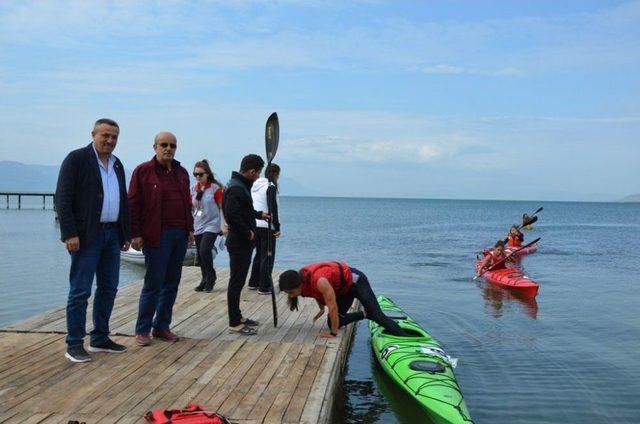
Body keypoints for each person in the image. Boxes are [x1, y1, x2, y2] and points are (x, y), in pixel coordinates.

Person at [55, 118, 131, 362]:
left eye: (114, 137)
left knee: (109, 288)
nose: (110, 141)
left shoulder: (117, 165)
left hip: (112, 234)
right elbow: (62, 198)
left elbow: (122, 200)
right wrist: (69, 233)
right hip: (86, 235)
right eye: (105, 136)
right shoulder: (76, 159)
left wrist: (124, 233)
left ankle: (99, 337)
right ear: (93, 134)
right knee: (80, 290)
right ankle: (74, 343)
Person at [128, 132, 194, 346]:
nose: (168, 149)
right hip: (156, 235)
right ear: (154, 146)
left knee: (172, 283)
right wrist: (135, 233)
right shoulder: (143, 172)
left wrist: (190, 230)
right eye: (164, 145)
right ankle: (142, 329)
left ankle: (162, 326)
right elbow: (133, 204)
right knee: (153, 283)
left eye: (172, 145)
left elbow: (187, 202)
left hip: (180, 234)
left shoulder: (182, 172)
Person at [278, 262, 407, 338]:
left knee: (378, 316)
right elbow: (314, 293)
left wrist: (333, 334)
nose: (291, 296)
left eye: (291, 292)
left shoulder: (319, 281)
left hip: (356, 282)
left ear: (298, 284)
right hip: (344, 291)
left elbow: (332, 306)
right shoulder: (302, 283)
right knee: (333, 323)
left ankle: (404, 337)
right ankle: (366, 314)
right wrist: (321, 309)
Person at [222, 154, 270, 335]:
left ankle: (238, 315)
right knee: (236, 282)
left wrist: (259, 215)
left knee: (239, 281)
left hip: (242, 241)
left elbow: (245, 210)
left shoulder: (239, 185)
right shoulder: (236, 188)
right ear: (251, 171)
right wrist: (247, 231)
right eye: (257, 174)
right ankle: (234, 322)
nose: (257, 177)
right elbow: (232, 215)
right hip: (238, 242)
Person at [191, 159, 225, 293]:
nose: (198, 177)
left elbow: (222, 207)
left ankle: (211, 276)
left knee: (205, 250)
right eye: (196, 174)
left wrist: (224, 225)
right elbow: (191, 206)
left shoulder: (215, 188)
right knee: (200, 254)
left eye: (201, 174)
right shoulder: (193, 188)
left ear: (207, 174)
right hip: (198, 223)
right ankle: (204, 278)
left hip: (212, 224)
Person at [248, 163, 281, 295]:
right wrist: (277, 226)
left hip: (255, 224)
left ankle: (253, 282)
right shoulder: (270, 186)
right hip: (267, 225)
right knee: (268, 256)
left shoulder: (255, 185)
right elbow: (273, 208)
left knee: (259, 255)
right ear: (276, 174)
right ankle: (264, 286)